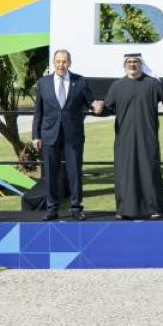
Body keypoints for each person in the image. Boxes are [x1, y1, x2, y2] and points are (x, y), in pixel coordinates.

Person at [31, 49, 99, 221]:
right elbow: (38, 111)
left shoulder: (80, 81)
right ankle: (52, 208)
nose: (61, 65)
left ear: (69, 63)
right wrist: (35, 136)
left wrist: (95, 105)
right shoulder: (43, 83)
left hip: (73, 134)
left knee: (75, 172)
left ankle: (76, 208)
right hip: (49, 134)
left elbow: (90, 102)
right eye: (58, 61)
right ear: (53, 63)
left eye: (64, 61)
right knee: (50, 173)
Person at [100, 53, 163, 220]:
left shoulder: (152, 83)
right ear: (125, 65)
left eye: (135, 62)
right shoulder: (117, 86)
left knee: (149, 170)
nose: (132, 65)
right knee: (124, 173)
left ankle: (154, 208)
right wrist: (99, 108)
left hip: (148, 136)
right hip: (124, 138)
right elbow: (107, 108)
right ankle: (124, 209)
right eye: (129, 62)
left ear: (140, 64)